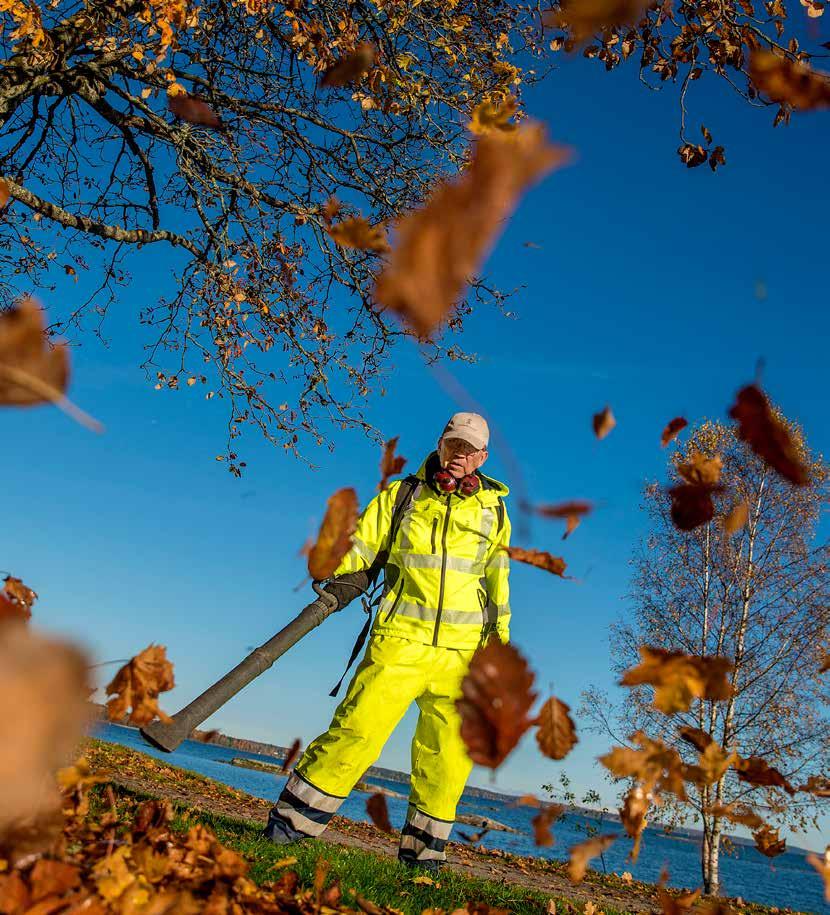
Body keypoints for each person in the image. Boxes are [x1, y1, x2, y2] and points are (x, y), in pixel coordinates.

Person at [263, 412, 512, 871]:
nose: (458, 456)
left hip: (463, 656)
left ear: (482, 457)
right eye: (452, 445)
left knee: (449, 759)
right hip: (400, 640)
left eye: (468, 450)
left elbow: (497, 583)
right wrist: (336, 576)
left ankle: (423, 860)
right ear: (440, 444)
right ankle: (287, 831)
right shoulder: (402, 496)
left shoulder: (494, 511)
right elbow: (361, 546)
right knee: (356, 733)